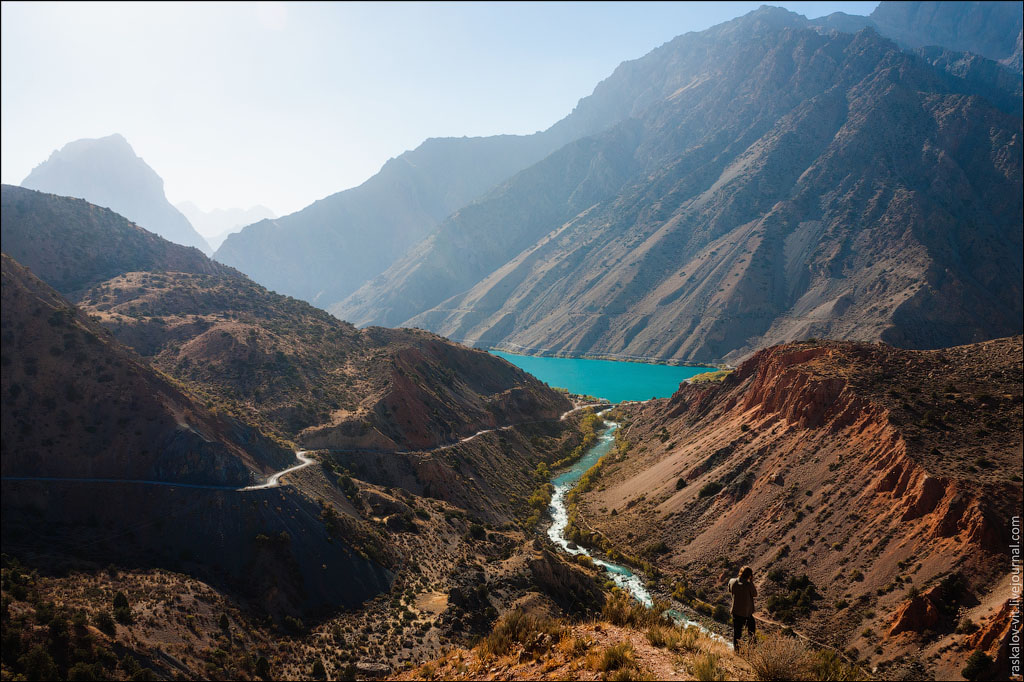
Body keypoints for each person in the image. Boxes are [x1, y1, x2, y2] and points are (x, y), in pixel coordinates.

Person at [728, 565, 757, 649]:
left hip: (736, 612)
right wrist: (751, 581)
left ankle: (737, 652)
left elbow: (730, 590)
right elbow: (755, 594)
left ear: (740, 572)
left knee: (737, 634)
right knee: (751, 633)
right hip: (746, 614)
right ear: (750, 575)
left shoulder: (732, 581)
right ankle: (751, 650)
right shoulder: (749, 585)